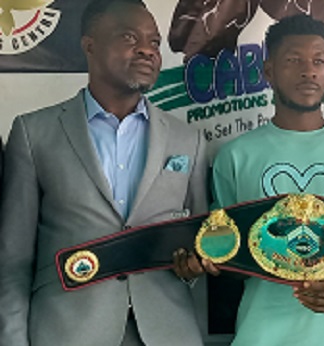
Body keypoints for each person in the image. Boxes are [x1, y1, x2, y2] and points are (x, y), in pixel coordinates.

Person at [174, 14, 324, 346]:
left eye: (319, 61)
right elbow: (224, 252)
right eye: (294, 60)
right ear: (269, 71)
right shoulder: (235, 156)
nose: (309, 71)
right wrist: (204, 262)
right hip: (261, 332)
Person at [0, 0, 208, 345]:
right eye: (129, 37)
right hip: (67, 332)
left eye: (154, 42)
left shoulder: (189, 139)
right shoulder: (33, 133)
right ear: (89, 46)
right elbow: (13, 260)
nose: (146, 50)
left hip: (167, 331)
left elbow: (204, 252)